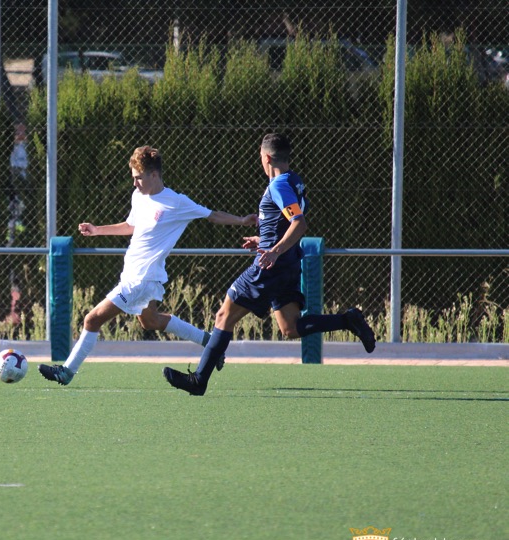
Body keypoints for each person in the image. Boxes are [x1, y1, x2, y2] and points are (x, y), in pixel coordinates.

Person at [163, 133, 376, 396]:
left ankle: (199, 380)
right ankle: (347, 320)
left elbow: (299, 223)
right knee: (290, 327)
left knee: (223, 316)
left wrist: (273, 250)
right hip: (287, 264)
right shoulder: (294, 180)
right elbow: (284, 222)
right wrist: (263, 240)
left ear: (265, 157)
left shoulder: (278, 185)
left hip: (271, 267)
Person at [39, 145, 258, 386]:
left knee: (92, 319)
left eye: (139, 178)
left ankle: (66, 372)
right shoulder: (138, 196)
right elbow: (131, 226)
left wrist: (242, 221)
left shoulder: (177, 202)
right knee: (150, 321)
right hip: (134, 275)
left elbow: (212, 215)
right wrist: (97, 230)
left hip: (142, 279)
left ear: (154, 175)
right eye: (133, 178)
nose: (134, 183)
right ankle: (210, 342)